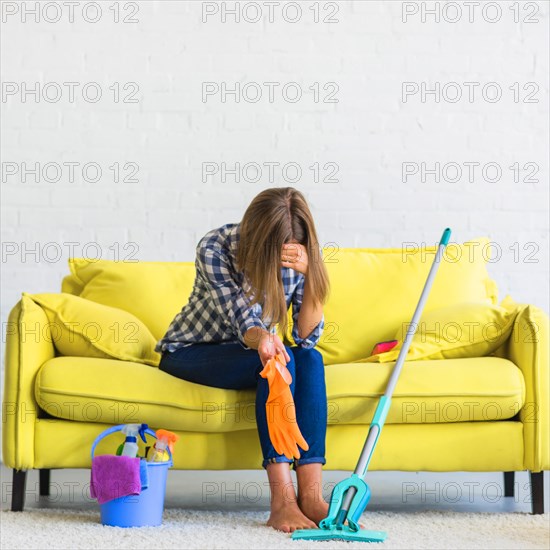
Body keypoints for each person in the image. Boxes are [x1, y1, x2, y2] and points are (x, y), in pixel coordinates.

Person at [155, 186, 332, 533]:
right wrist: (264, 338)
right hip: (191, 353)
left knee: (309, 361)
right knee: (277, 364)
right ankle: (282, 501)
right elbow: (244, 324)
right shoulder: (215, 247)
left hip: (253, 350)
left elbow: (305, 338)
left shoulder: (298, 254)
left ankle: (311, 496)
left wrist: (312, 276)